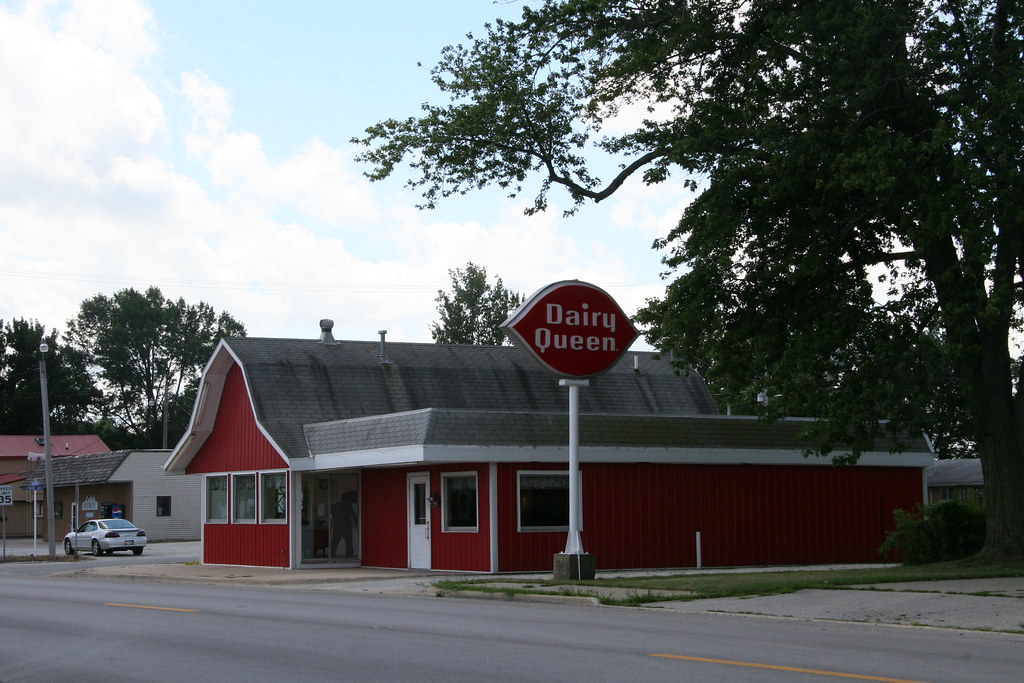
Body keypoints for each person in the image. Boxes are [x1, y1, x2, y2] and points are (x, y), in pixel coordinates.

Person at [330, 491, 357, 558]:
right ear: (346, 499)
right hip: (346, 527)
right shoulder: (348, 506)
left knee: (335, 543)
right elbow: (351, 517)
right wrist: (355, 525)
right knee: (348, 543)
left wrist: (332, 525)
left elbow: (332, 516)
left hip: (337, 527)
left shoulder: (335, 505)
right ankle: (348, 557)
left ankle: (332, 556)